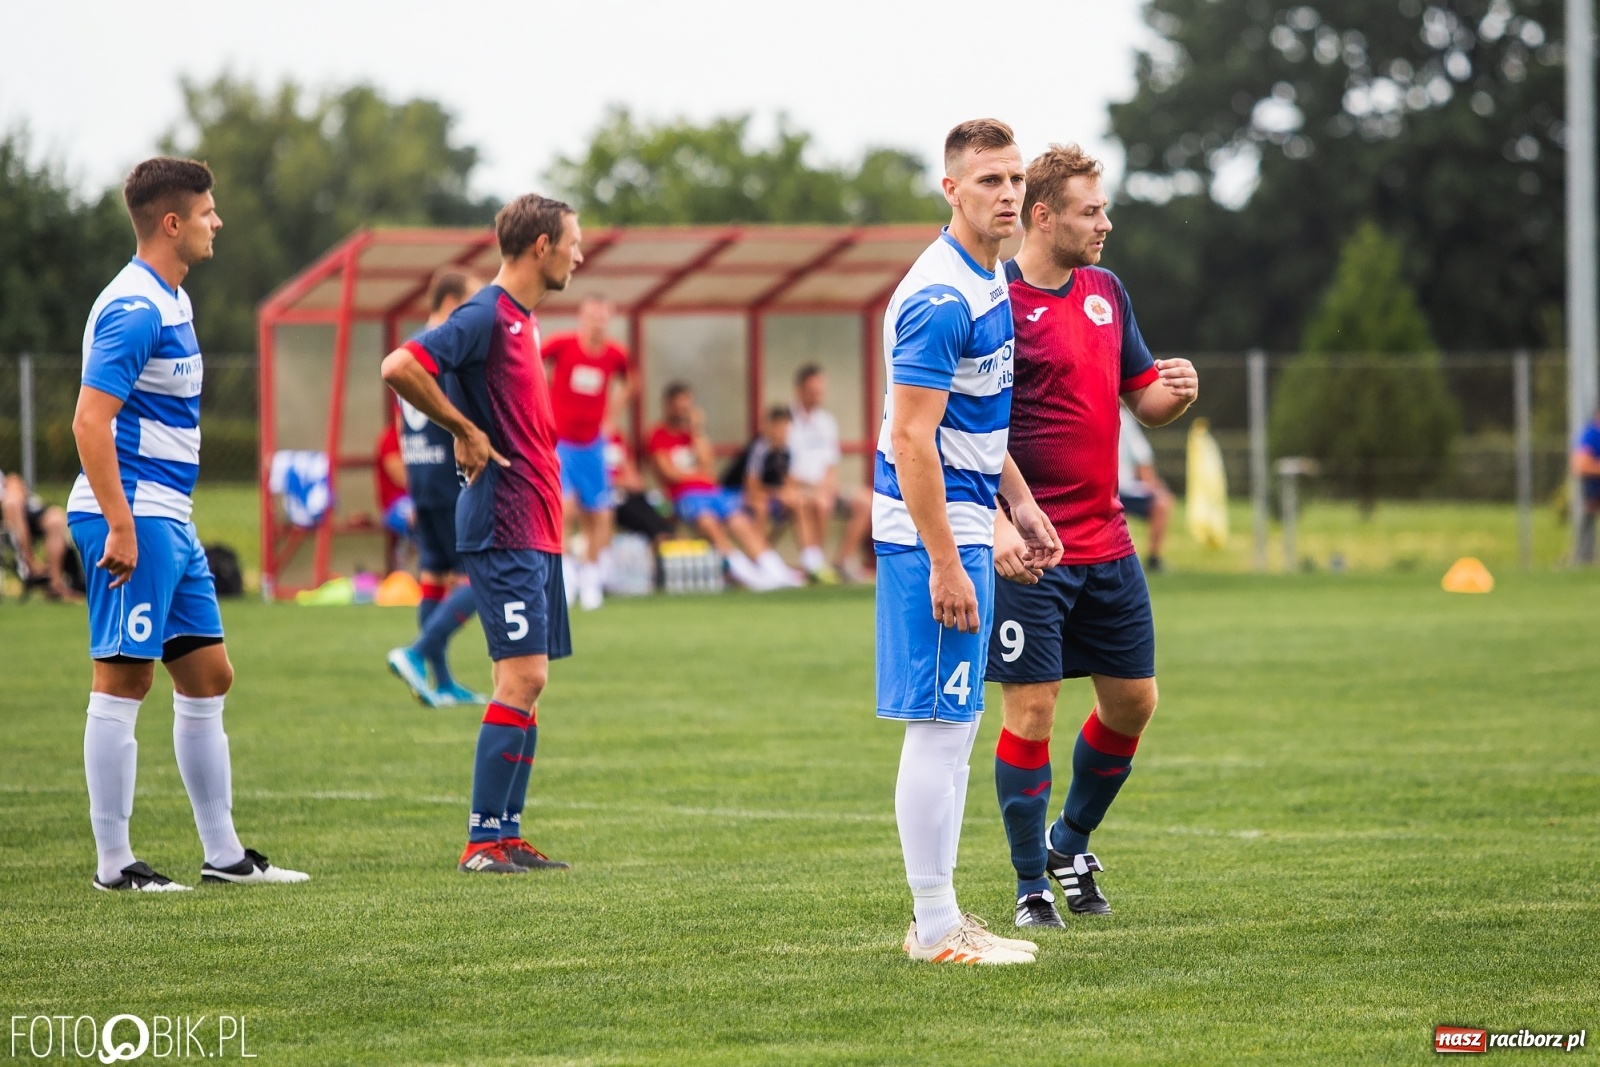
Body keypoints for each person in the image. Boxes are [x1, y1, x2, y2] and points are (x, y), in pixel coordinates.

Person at [67, 157, 308, 891]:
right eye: (208, 211)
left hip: (169, 517)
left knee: (209, 673)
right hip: (134, 515)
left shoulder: (173, 298)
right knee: (123, 679)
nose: (218, 222)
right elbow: (88, 421)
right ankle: (115, 864)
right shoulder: (135, 307)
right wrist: (119, 522)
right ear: (172, 223)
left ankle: (225, 854)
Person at [987, 144, 1198, 929]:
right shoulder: (995, 300)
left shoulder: (1108, 291)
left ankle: (1069, 839)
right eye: (1090, 211)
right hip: (1029, 552)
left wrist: (1174, 392)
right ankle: (1029, 885)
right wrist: (1002, 522)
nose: (1105, 224)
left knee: (1135, 701)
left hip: (1107, 543)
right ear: (1043, 216)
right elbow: (965, 427)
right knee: (1031, 713)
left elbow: (1141, 399)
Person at [874, 119, 1061, 965]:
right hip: (929, 538)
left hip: (964, 527)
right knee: (941, 728)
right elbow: (912, 439)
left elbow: (976, 424)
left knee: (959, 720)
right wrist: (949, 558)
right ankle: (937, 925)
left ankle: (942, 919)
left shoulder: (989, 282)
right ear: (951, 190)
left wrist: (1019, 503)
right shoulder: (940, 297)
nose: (1009, 194)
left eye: (1015, 179)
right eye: (989, 180)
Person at [380, 193, 581, 875]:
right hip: (503, 521)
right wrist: (462, 428)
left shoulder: (521, 322)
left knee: (527, 680)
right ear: (542, 246)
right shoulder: (485, 314)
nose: (580, 254)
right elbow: (400, 365)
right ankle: (480, 841)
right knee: (520, 676)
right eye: (573, 241)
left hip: (536, 525)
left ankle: (507, 833)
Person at [386, 270, 488, 707]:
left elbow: (399, 419)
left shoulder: (411, 346)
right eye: (472, 301)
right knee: (484, 578)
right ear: (451, 303)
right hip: (450, 479)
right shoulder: (446, 348)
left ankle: (441, 682)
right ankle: (416, 653)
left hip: (421, 479)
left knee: (434, 578)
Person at [647, 383, 801, 591]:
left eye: (687, 406)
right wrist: (696, 473)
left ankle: (773, 568)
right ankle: (745, 572)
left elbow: (707, 464)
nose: (684, 411)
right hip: (684, 496)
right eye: (680, 406)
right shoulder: (657, 435)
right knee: (708, 523)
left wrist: (697, 430)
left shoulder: (692, 435)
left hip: (712, 492)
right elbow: (669, 473)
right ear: (668, 405)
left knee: (740, 522)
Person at [544, 296, 631, 610]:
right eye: (593, 315)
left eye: (603, 316)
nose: (598, 321)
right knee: (564, 510)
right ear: (581, 317)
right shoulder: (561, 344)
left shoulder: (615, 354)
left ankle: (591, 577)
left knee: (601, 513)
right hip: (561, 442)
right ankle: (566, 578)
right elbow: (530, 364)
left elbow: (629, 381)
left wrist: (611, 417)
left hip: (593, 444)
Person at [788, 365, 874, 584]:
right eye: (812, 391)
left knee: (867, 501)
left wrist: (827, 486)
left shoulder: (826, 421)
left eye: (820, 391)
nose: (818, 396)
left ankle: (841, 562)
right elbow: (786, 471)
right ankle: (816, 564)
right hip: (799, 489)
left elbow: (831, 465)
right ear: (799, 390)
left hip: (824, 488)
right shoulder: (787, 423)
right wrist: (816, 489)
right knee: (821, 503)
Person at [2, 471, 80, 600]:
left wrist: (15, 484)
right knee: (12, 502)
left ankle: (55, 582)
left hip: (25, 509)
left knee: (56, 518)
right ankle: (29, 564)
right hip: (9, 512)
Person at [721, 406, 796, 536]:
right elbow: (751, 487)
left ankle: (809, 553)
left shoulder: (786, 450)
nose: (784, 432)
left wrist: (786, 493)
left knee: (796, 503)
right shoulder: (759, 448)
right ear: (770, 427)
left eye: (787, 428)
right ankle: (758, 551)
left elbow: (787, 481)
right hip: (733, 491)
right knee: (761, 507)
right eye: (780, 428)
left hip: (762, 491)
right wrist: (776, 493)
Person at [1117, 404, 1174, 572]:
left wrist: (1150, 483)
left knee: (1162, 503)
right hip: (1107, 490)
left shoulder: (1124, 420)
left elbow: (1141, 457)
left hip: (1125, 488)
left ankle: (1153, 558)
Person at [374, 414, 413, 573]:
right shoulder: (390, 439)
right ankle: (401, 573)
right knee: (420, 517)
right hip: (395, 505)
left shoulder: (421, 438)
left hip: (417, 500)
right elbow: (402, 478)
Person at [1573, 402, 1600, 564]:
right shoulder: (1591, 434)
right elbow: (1581, 465)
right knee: (1587, 522)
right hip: (1593, 490)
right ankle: (1583, 559)